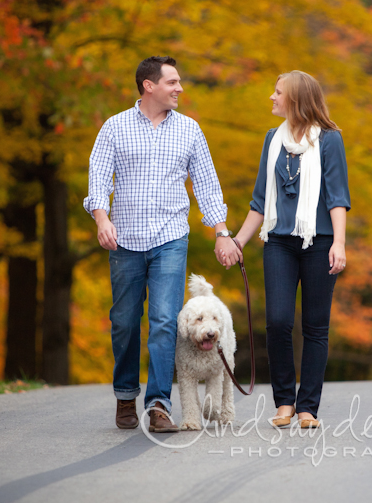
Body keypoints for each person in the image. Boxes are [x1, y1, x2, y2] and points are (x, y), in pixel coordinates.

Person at [83, 56, 242, 433]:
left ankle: (158, 404)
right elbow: (98, 178)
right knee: (123, 321)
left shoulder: (189, 130)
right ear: (148, 86)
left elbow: (206, 184)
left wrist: (221, 232)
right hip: (125, 239)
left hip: (170, 238)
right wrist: (102, 219)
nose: (180, 88)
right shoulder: (114, 127)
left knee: (165, 322)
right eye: (172, 82)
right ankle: (125, 394)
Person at [232, 70, 350, 429]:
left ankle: (307, 407)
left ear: (296, 100)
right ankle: (284, 401)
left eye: (278, 92)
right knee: (279, 321)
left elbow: (338, 197)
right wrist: (237, 240)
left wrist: (340, 243)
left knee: (315, 327)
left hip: (320, 242)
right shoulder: (272, 139)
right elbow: (259, 202)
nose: (272, 97)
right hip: (279, 241)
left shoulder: (329, 140)